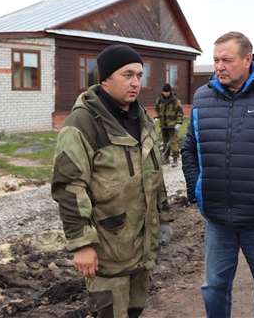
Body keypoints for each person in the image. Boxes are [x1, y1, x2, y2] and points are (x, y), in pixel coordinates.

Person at [51, 45, 174, 318]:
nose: (135, 82)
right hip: (106, 250)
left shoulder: (141, 119)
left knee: (134, 311)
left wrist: (163, 216)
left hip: (141, 245)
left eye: (139, 75)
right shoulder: (82, 124)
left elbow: (154, 173)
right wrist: (82, 244)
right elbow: (68, 187)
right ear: (104, 78)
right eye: (127, 74)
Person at [181, 31, 254, 318]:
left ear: (247, 59)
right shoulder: (202, 97)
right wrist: (198, 188)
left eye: (226, 60)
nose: (219, 66)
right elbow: (189, 149)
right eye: (216, 60)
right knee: (214, 287)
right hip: (218, 219)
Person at [153, 83, 183, 168]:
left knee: (174, 142)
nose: (165, 93)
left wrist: (179, 123)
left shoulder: (175, 100)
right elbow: (157, 109)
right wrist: (156, 117)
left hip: (173, 125)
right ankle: (166, 158)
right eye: (164, 92)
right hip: (164, 125)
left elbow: (180, 112)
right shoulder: (160, 100)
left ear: (170, 92)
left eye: (167, 92)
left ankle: (175, 159)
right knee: (165, 142)